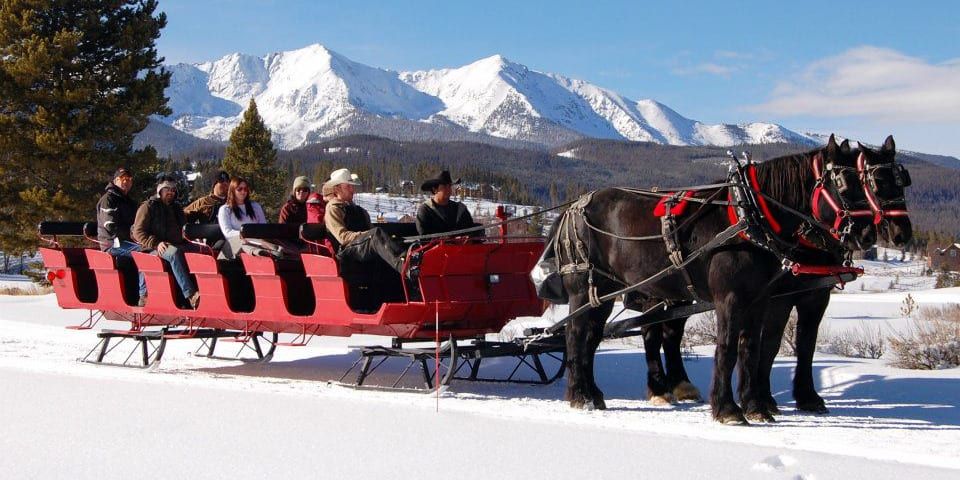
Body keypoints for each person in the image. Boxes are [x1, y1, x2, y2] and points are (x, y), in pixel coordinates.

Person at [132, 175, 199, 308]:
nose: (171, 192)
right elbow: (138, 232)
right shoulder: (148, 207)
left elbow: (184, 228)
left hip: (177, 243)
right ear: (160, 190)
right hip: (154, 248)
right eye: (167, 189)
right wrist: (156, 243)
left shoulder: (176, 208)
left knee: (201, 251)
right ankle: (191, 294)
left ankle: (209, 291)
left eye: (173, 190)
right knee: (174, 253)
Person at [323, 168, 407, 274]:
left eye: (352, 186)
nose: (352, 190)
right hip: (347, 252)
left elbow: (371, 230)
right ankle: (405, 267)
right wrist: (368, 235)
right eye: (348, 186)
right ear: (337, 189)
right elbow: (343, 237)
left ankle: (406, 262)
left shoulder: (360, 210)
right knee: (376, 235)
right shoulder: (333, 209)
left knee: (391, 237)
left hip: (363, 247)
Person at [96, 167, 146, 299]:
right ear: (116, 180)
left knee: (148, 247)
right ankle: (143, 295)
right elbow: (110, 226)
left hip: (125, 241)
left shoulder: (128, 201)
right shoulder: (108, 199)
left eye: (129, 180)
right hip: (112, 243)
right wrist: (133, 235)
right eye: (123, 179)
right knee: (144, 252)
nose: (127, 182)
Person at [217, 177, 270, 259]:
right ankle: (258, 253)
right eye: (239, 189)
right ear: (233, 190)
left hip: (256, 241)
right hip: (235, 244)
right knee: (247, 246)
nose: (243, 191)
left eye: (245, 189)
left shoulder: (255, 206)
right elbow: (228, 232)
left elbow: (263, 227)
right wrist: (244, 235)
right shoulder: (225, 210)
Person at [416, 170, 478, 236]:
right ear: (435, 189)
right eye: (445, 186)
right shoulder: (425, 210)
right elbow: (425, 237)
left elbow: (471, 231)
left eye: (449, 186)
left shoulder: (460, 210)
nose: (449, 189)